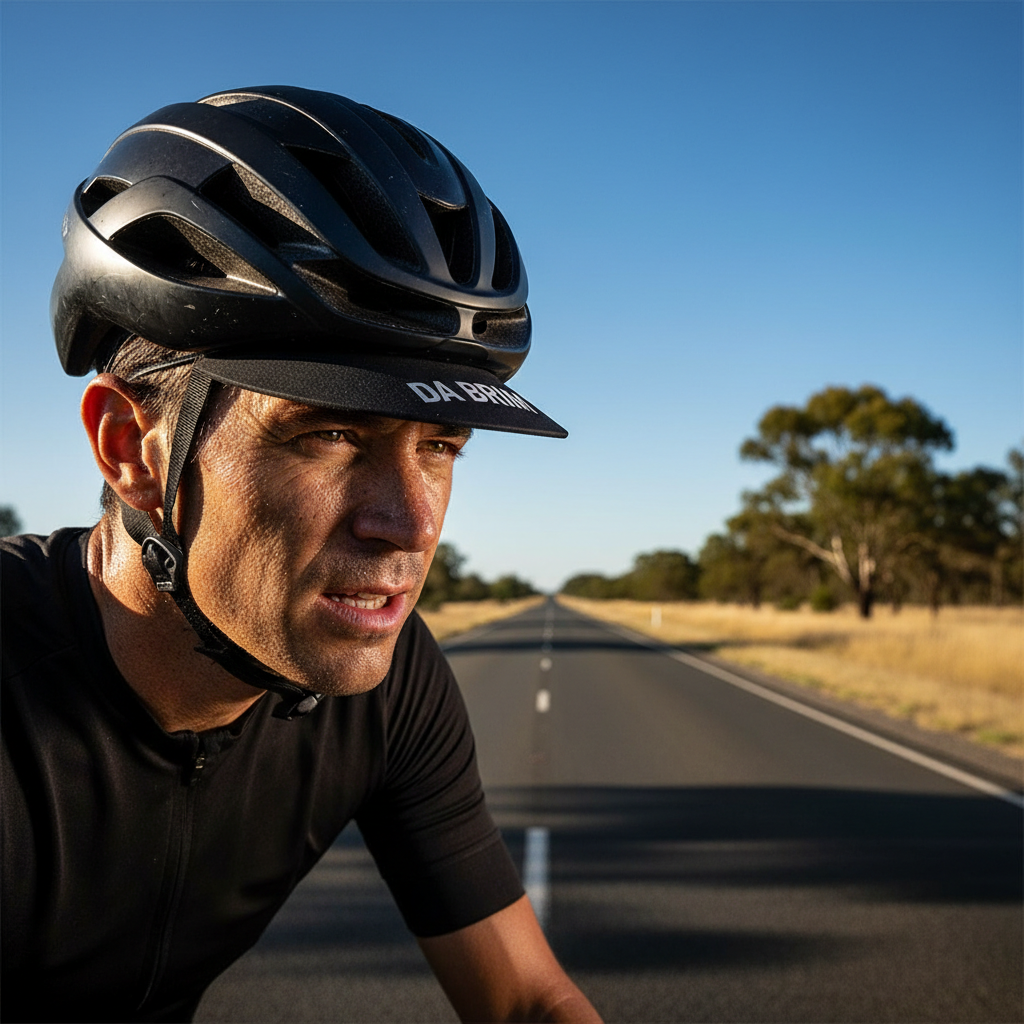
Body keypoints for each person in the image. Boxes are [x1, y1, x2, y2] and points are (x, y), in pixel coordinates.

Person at [1, 86, 601, 1024]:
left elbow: (524, 1000)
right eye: (329, 435)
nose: (409, 525)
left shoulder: (390, 687)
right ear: (132, 449)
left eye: (440, 447)